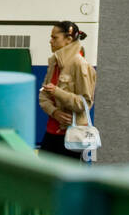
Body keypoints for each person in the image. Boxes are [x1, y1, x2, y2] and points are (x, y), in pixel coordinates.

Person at [38, 21, 96, 160]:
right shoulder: (54, 62)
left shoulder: (80, 64)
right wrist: (55, 112)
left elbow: (85, 103)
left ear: (68, 39)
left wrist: (57, 92)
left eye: (54, 37)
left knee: (66, 178)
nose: (50, 41)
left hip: (71, 135)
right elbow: (43, 96)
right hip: (51, 131)